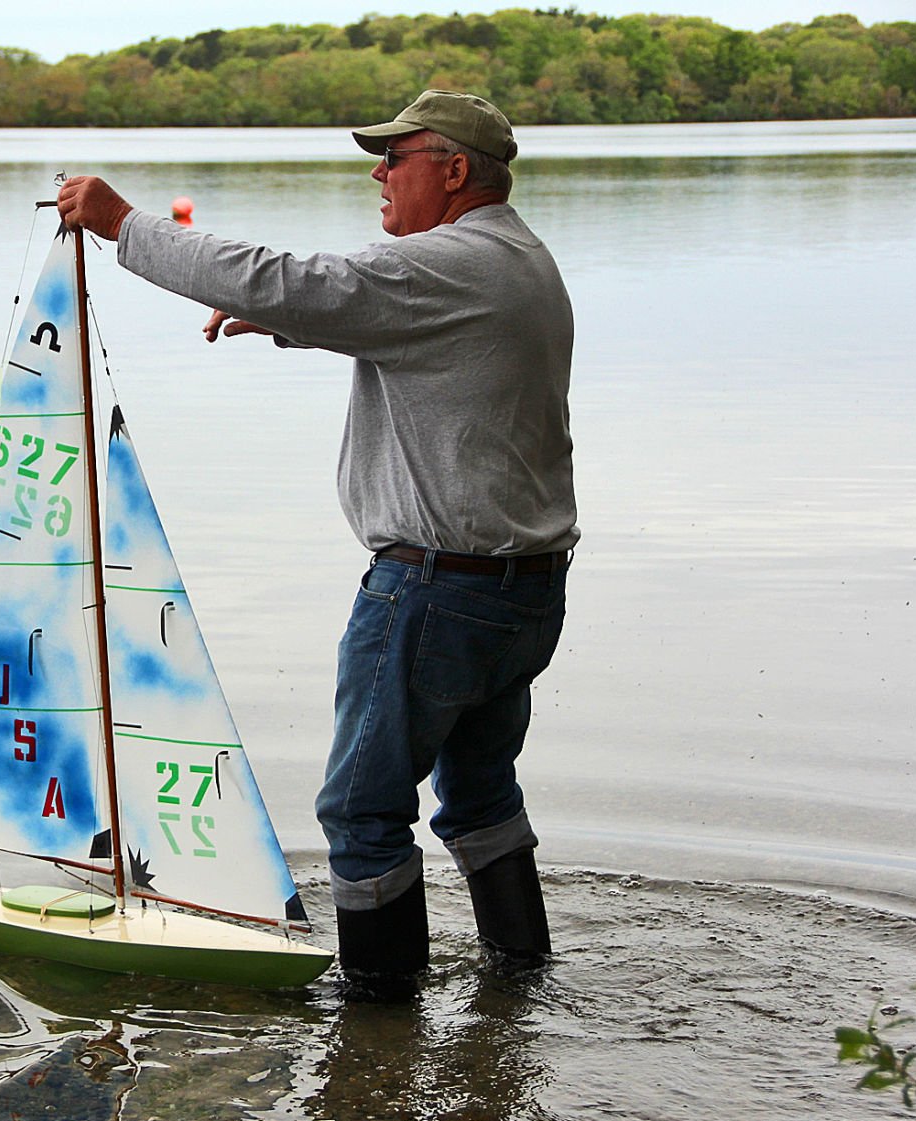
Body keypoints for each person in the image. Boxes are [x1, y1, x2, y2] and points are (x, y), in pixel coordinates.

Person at [57, 90, 576, 1001]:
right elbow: (404, 326)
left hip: (433, 593)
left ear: (454, 171)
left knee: (358, 810)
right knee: (481, 794)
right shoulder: (518, 260)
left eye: (396, 156)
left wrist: (123, 226)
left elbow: (286, 275)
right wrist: (299, 324)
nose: (377, 172)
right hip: (522, 595)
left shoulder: (445, 261)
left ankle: (377, 1016)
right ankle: (520, 980)